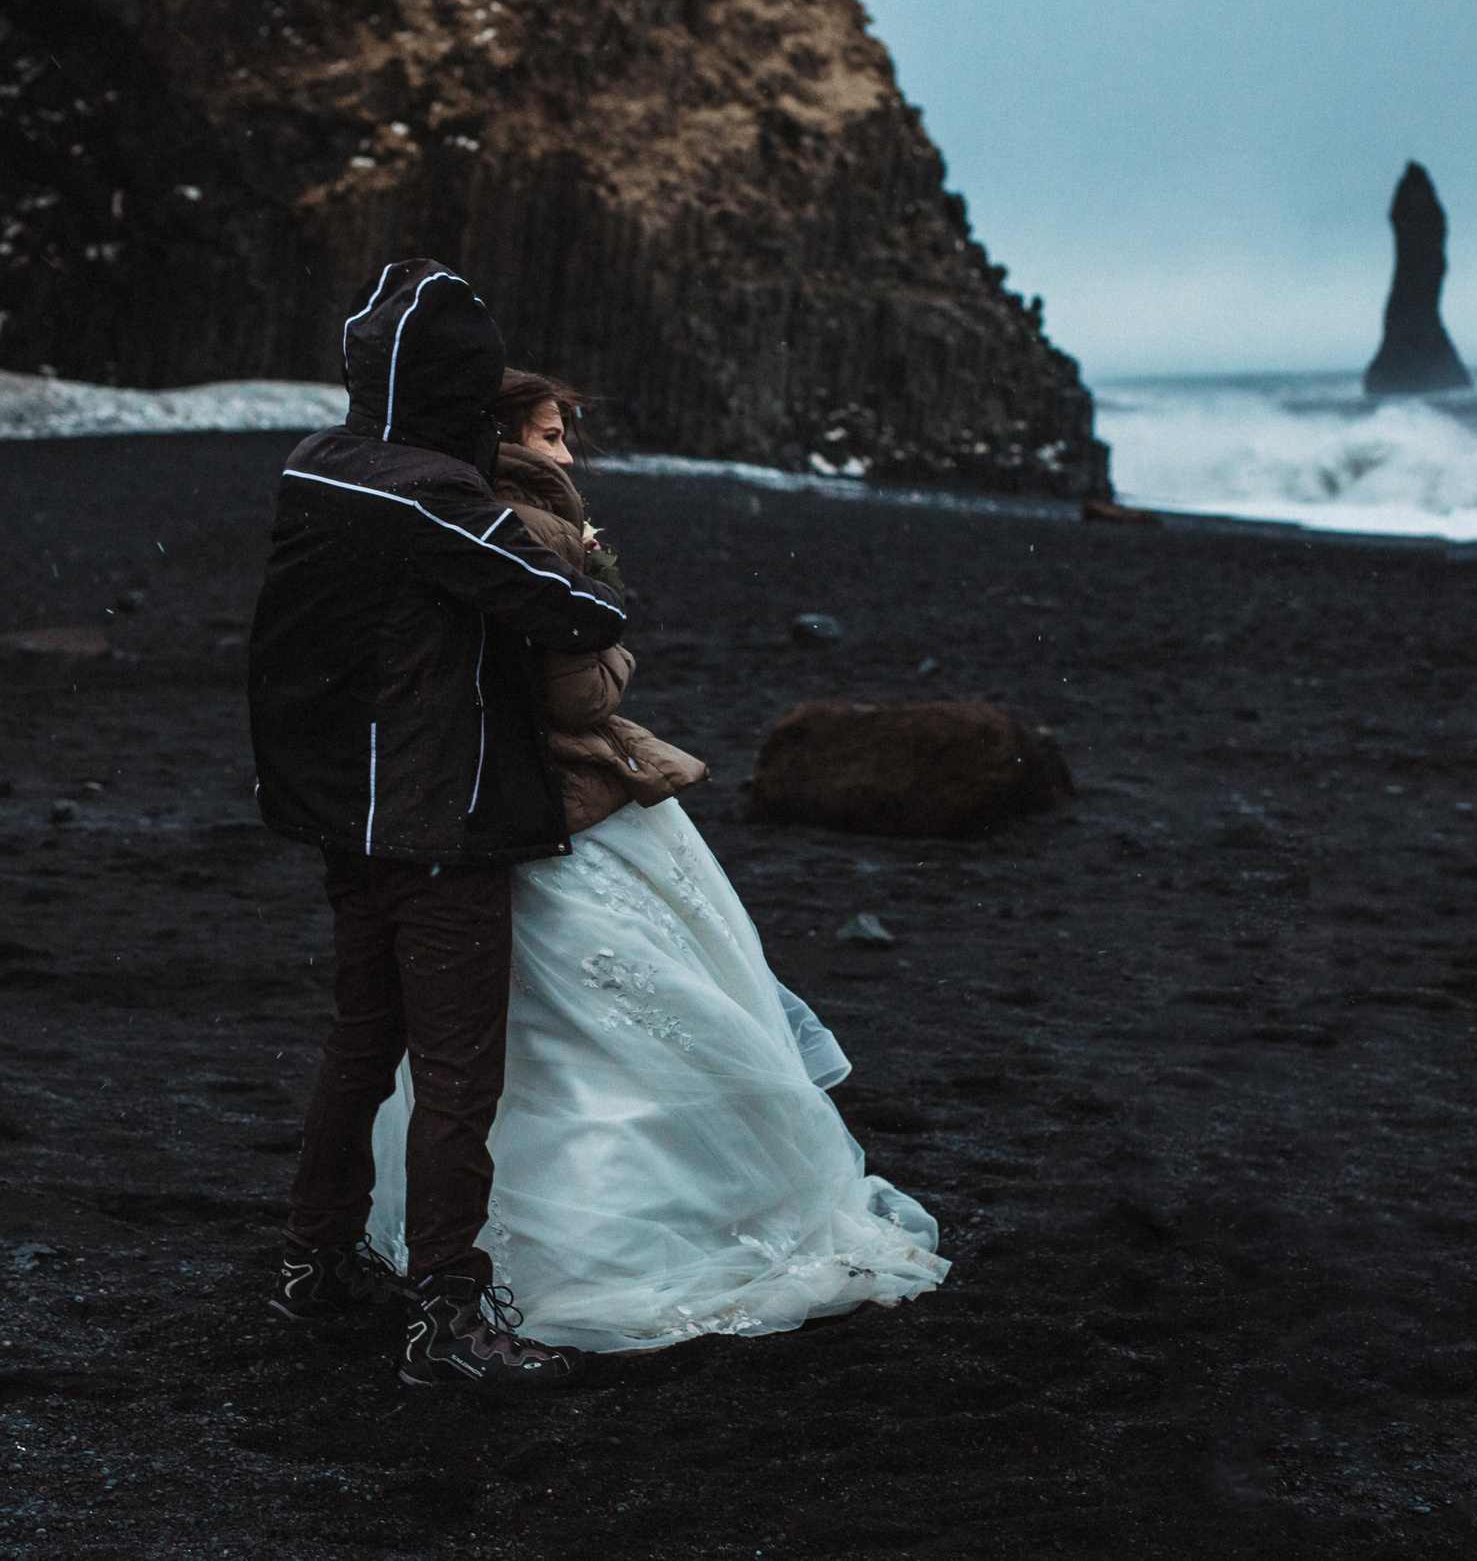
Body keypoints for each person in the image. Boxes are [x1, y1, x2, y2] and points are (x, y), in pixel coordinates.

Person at [361, 368, 950, 1354]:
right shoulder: (530, 530)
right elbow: (579, 696)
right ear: (506, 437)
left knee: (519, 1036)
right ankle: (651, 1230)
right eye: (552, 436)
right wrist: (614, 637)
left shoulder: (434, 517)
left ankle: (495, 1231)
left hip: (466, 806)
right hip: (560, 800)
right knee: (638, 1001)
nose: (567, 455)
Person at [247, 261, 625, 1392]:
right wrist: (578, 540)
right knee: (460, 1074)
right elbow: (580, 609)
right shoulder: (432, 495)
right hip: (436, 815)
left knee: (360, 1043)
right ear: (463, 387)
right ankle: (446, 1318)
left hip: (341, 817)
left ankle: (313, 1262)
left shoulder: (318, 466)